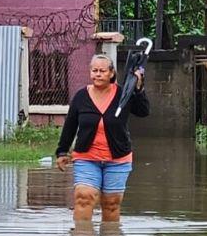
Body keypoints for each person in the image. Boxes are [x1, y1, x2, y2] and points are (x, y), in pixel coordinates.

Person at [55, 53, 148, 222]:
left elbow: (143, 111)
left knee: (111, 203)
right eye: (94, 70)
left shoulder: (123, 94)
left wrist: (138, 88)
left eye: (102, 71)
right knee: (84, 197)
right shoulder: (81, 96)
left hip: (118, 158)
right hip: (86, 157)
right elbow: (70, 125)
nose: (98, 74)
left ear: (111, 73)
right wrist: (62, 152)